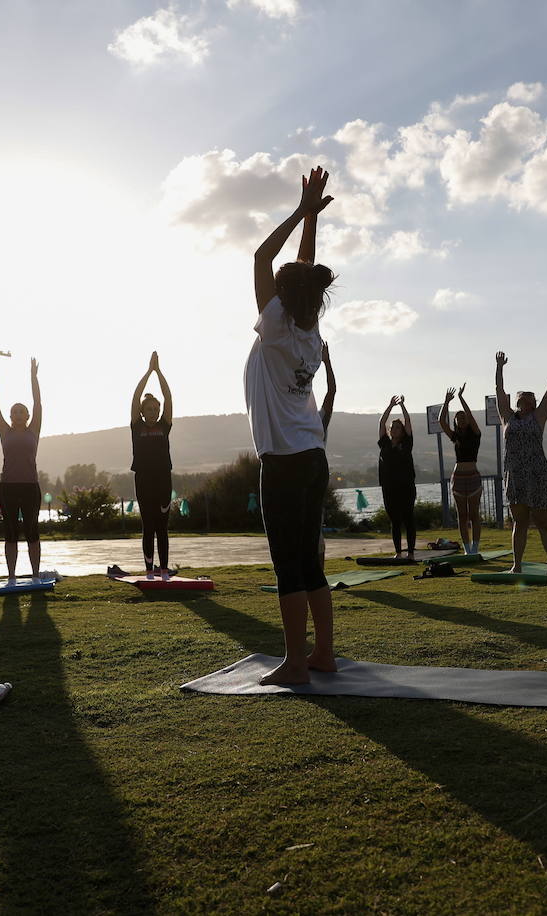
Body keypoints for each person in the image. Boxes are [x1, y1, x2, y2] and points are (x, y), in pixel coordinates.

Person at [244, 164, 336, 686]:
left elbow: (263, 256)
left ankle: (296, 663)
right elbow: (300, 270)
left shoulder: (278, 327)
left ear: (283, 300)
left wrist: (303, 211)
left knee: (288, 567)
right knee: (311, 563)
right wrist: (310, 221)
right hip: (314, 459)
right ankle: (322, 653)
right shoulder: (307, 327)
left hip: (281, 464)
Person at [495, 350, 547, 575]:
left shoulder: (539, 417)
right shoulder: (507, 418)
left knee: (544, 523)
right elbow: (499, 391)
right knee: (520, 522)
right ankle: (517, 565)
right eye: (521, 398)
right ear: (516, 402)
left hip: (537, 475)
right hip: (515, 476)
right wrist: (499, 367)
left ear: (534, 403)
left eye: (529, 398)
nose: (524, 401)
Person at [0, 358, 43, 581]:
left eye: (21, 412)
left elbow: (37, 403)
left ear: (27, 417)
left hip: (30, 487)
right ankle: (11, 576)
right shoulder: (4, 431)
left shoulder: (33, 430)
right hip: (7, 487)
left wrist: (33, 377)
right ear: (10, 417)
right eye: (14, 412)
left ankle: (36, 575)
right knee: (10, 533)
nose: (18, 414)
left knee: (32, 531)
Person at [130, 351, 174, 579]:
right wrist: (148, 372)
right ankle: (149, 571)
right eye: (149, 409)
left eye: (156, 409)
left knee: (162, 528)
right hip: (144, 480)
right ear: (142, 411)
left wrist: (159, 371)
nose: (154, 411)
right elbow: (136, 395)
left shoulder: (164, 426)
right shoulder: (137, 427)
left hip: (163, 479)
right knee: (148, 526)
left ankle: (164, 570)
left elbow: (168, 397)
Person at [439, 384, 483, 555]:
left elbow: (471, 416)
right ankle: (467, 549)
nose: (461, 419)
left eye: (463, 417)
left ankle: (475, 547)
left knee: (474, 514)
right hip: (458, 477)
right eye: (458, 418)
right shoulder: (455, 436)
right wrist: (446, 402)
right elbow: (441, 422)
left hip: (473, 476)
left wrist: (461, 398)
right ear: (456, 422)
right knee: (462, 515)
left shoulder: (476, 434)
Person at [377, 395, 417, 559]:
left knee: (408, 518)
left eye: (397, 427)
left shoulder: (407, 443)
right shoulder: (385, 443)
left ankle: (411, 553)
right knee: (394, 521)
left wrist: (402, 407)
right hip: (389, 487)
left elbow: (407, 420)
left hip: (406, 486)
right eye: (393, 427)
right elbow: (381, 423)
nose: (394, 429)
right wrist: (389, 406)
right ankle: (398, 553)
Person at [318, 341, 337, 569]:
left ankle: (318, 575)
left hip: (314, 474)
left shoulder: (320, 419)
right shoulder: (292, 420)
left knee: (315, 527)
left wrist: (326, 362)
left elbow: (331, 392)